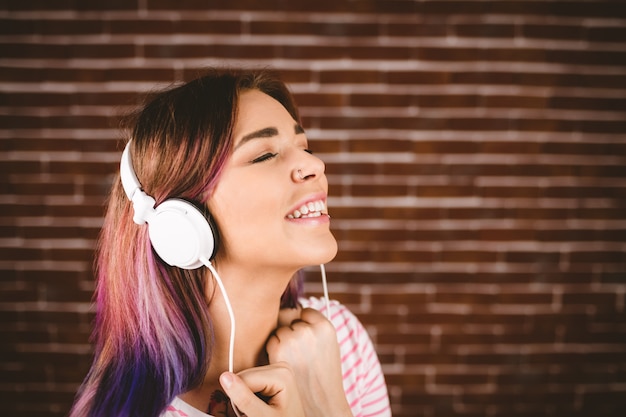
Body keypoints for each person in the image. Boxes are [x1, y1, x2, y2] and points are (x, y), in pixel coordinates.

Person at [70, 68, 391, 417]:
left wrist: (330, 405)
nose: (314, 164)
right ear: (181, 222)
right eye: (264, 155)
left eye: (304, 146)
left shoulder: (338, 339)